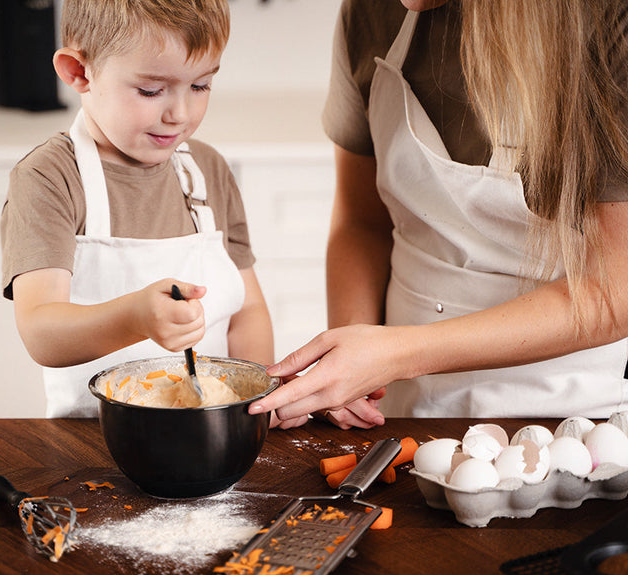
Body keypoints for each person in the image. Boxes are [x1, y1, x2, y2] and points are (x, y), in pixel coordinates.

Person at [249, 0, 628, 429]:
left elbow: (613, 292)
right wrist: (351, 363)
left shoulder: (607, 22)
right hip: (397, 405)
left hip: (571, 413)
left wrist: (397, 354)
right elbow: (362, 223)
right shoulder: (369, 14)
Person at [1, 0, 296, 423]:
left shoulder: (207, 170)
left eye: (200, 86)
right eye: (151, 91)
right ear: (78, 72)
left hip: (210, 433)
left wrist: (257, 407)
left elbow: (247, 311)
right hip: (94, 448)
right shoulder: (50, 178)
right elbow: (41, 333)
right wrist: (136, 317)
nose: (180, 114)